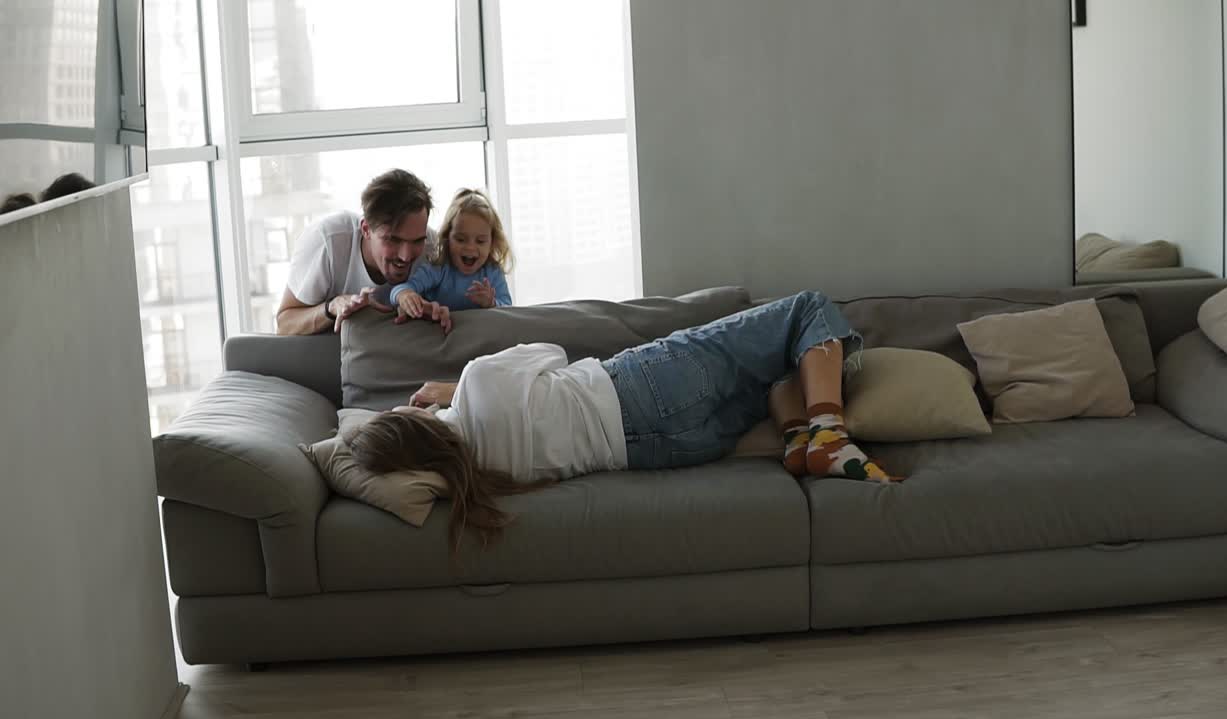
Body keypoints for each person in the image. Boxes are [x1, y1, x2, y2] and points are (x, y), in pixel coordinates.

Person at [344, 291, 896, 552]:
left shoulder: (482, 476)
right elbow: (551, 352)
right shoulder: (478, 383)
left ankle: (800, 442)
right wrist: (450, 388)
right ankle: (829, 433)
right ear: (411, 422)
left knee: (778, 365)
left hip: (667, 450)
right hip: (638, 388)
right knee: (806, 311)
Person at [276, 169, 449, 335]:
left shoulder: (432, 247)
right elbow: (284, 324)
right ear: (366, 229)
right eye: (393, 240)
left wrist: (435, 314)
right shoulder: (327, 242)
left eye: (417, 240)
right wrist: (332, 307)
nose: (406, 256)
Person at [390, 188, 513, 324]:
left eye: (480, 241)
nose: (470, 247)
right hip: (443, 334)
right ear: (447, 238)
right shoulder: (439, 268)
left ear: (492, 242)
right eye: (460, 239)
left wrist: (491, 303)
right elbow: (399, 289)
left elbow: (510, 310)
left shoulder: (493, 273)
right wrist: (405, 295)